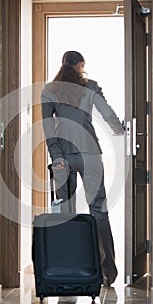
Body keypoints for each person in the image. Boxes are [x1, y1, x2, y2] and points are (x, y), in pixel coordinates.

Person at [41, 50, 124, 287]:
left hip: (63, 156)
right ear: (80, 65)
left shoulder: (50, 89)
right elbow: (107, 113)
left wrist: (56, 156)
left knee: (64, 213)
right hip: (90, 154)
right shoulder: (91, 86)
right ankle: (108, 272)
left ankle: (67, 270)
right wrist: (121, 132)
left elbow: (48, 127)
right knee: (99, 211)